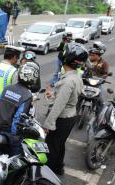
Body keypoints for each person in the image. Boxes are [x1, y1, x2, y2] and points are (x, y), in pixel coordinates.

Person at [43, 43, 88, 175]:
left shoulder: (68, 81)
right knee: (59, 144)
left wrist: (48, 124)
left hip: (62, 119)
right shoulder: (75, 77)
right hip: (70, 116)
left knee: (51, 147)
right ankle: (58, 168)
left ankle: (47, 175)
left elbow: (59, 105)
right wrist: (55, 94)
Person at [0, 62, 41, 155]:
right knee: (18, 157)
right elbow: (18, 117)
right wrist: (15, 137)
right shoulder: (27, 95)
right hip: (10, 132)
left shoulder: (8, 88)